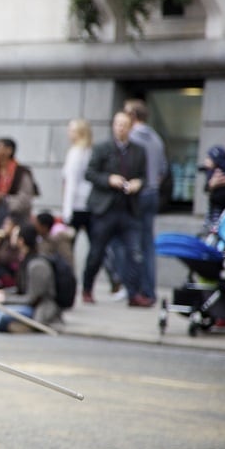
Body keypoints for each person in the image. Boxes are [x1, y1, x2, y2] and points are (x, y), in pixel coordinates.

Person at [82, 111, 150, 307]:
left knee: (135, 253)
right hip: (105, 209)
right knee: (97, 252)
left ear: (130, 128)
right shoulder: (102, 148)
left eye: (124, 125)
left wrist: (139, 183)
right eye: (117, 124)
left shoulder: (138, 150)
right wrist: (108, 179)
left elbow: (146, 177)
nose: (120, 128)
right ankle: (87, 289)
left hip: (129, 209)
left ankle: (134, 294)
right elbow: (90, 173)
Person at [61, 118, 123, 302]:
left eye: (71, 130)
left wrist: (67, 211)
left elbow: (71, 183)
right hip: (92, 205)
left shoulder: (77, 153)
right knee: (98, 248)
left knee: (68, 250)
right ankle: (114, 279)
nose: (68, 133)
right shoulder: (91, 151)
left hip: (78, 207)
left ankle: (67, 283)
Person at [0, 223, 63, 333]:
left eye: (15, 235)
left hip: (37, 309)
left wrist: (5, 299)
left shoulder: (37, 265)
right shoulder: (25, 259)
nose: (12, 236)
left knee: (2, 314)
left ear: (21, 240)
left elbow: (31, 298)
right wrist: (2, 293)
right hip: (26, 303)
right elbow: (21, 288)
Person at [124, 99, 168, 304]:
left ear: (133, 116)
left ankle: (136, 289)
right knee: (147, 244)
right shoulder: (156, 138)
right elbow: (163, 170)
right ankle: (147, 290)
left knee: (132, 244)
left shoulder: (132, 138)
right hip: (153, 193)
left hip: (138, 195)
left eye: (125, 114)